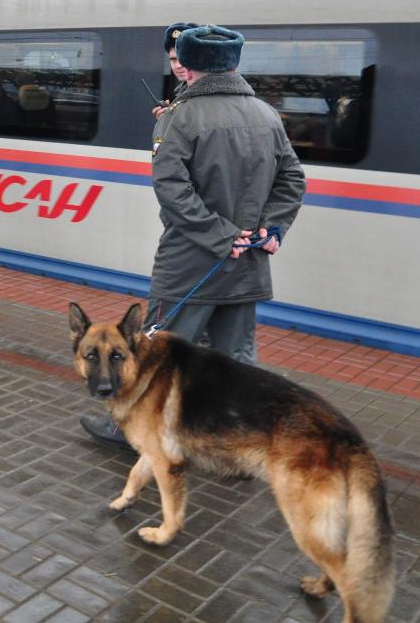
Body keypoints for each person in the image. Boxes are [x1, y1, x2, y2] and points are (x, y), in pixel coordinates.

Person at [81, 25, 306, 447]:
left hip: (190, 264)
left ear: (190, 63)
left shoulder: (178, 117)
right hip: (248, 264)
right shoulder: (267, 115)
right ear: (232, 65)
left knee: (157, 353)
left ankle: (129, 430)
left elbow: (171, 189)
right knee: (235, 359)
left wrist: (222, 236)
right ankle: (239, 439)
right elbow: (292, 178)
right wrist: (271, 228)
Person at [153, 22, 198, 120]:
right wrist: (166, 123)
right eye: (173, 59)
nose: (178, 65)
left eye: (183, 58)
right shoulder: (181, 94)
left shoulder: (207, 98)